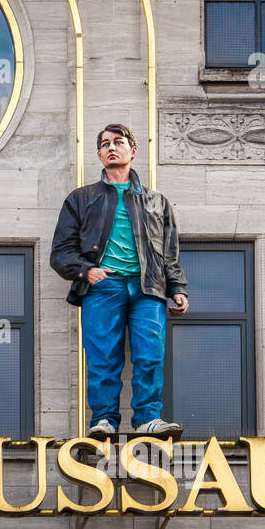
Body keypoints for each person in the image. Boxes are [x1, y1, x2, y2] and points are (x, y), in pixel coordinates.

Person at [49, 123, 189, 439]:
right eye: (105, 144)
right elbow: (60, 252)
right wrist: (86, 270)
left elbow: (169, 250)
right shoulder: (82, 199)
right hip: (103, 286)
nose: (112, 147)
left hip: (148, 287)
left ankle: (147, 419)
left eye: (119, 142)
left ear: (132, 150)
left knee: (150, 354)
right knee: (102, 356)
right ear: (99, 154)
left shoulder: (157, 202)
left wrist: (177, 287)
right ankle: (104, 420)